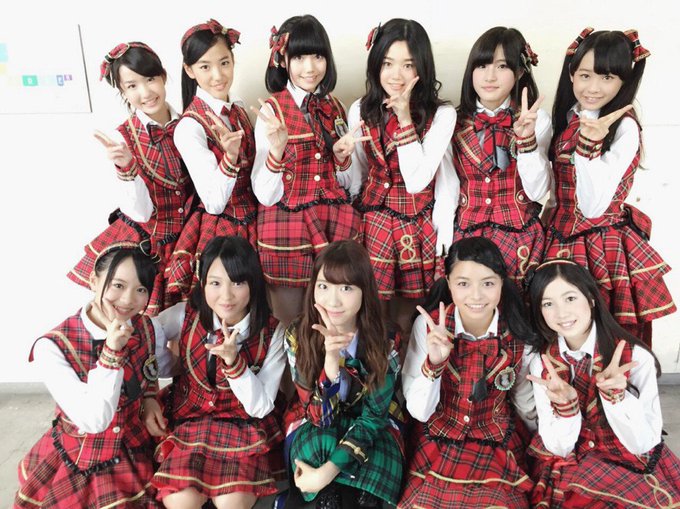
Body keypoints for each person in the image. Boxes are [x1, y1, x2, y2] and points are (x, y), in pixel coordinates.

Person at [543, 28, 675, 345]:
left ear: (623, 81)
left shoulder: (625, 127)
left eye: (607, 77)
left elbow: (592, 206)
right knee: (559, 327)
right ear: (571, 74)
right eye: (585, 75)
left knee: (606, 330)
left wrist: (589, 146)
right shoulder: (567, 117)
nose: (593, 87)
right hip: (557, 236)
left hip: (603, 244)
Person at [16, 243, 167, 508]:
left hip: (137, 442)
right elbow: (95, 420)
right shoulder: (51, 347)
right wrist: (112, 351)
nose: (128, 300)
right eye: (118, 285)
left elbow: (149, 368)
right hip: (83, 454)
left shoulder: (147, 326)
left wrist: (150, 398)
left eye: (141, 289)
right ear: (93, 281)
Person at [399, 236, 541, 508]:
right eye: (463, 284)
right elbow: (419, 411)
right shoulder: (427, 327)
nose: (476, 296)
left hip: (496, 442)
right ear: (448, 282)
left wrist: (543, 443)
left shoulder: (518, 333)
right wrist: (434, 363)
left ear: (502, 283)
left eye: (488, 283)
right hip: (438, 438)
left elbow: (524, 401)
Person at [526, 259, 680, 508]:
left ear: (591, 299)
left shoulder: (636, 357)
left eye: (570, 298)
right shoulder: (542, 363)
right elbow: (558, 448)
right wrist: (566, 409)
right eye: (548, 303)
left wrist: (617, 398)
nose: (561, 313)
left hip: (627, 459)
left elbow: (643, 443)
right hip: (572, 462)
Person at [151, 236, 286, 509]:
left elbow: (260, 407)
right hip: (189, 421)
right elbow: (146, 333)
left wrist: (235, 364)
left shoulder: (273, 331)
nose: (226, 296)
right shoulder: (184, 315)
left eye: (237, 283)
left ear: (253, 283)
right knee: (180, 500)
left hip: (243, 427)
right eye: (215, 283)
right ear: (202, 283)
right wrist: (166, 368)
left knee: (231, 503)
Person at [252, 15, 365, 326]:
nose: (310, 67)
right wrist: (277, 152)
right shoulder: (271, 110)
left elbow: (351, 186)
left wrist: (342, 158)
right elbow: (264, 194)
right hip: (287, 229)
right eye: (300, 57)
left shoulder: (336, 107)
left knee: (336, 321)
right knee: (292, 324)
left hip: (334, 224)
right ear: (283, 60)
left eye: (318, 56)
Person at [69, 42, 193, 316]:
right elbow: (139, 212)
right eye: (132, 86)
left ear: (163, 76)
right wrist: (126, 167)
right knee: (139, 326)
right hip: (145, 246)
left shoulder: (190, 124)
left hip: (188, 243)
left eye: (150, 79)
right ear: (123, 91)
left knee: (187, 324)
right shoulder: (120, 139)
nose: (145, 92)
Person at [349, 19, 455, 334]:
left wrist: (405, 118)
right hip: (372, 223)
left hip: (417, 223)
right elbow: (360, 173)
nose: (396, 75)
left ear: (422, 67)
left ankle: (412, 363)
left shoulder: (442, 115)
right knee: (373, 313)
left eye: (408, 65)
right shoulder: (359, 110)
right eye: (387, 63)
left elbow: (417, 180)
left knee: (415, 314)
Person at [283, 240, 403, 508]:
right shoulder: (298, 335)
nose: (333, 301)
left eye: (346, 288)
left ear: (364, 292)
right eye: (324, 287)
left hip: (373, 425)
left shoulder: (386, 338)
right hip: (312, 421)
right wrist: (330, 361)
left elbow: (373, 418)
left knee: (366, 479)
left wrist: (325, 474)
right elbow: (319, 419)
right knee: (320, 450)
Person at [165, 19, 258, 305]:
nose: (218, 75)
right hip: (222, 229)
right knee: (226, 306)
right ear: (189, 70)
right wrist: (229, 158)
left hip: (256, 220)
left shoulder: (239, 109)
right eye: (205, 67)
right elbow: (214, 202)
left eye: (224, 63)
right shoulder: (189, 127)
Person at [451, 27, 550, 289]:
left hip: (520, 239)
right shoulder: (452, 121)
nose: (490, 76)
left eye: (502, 66)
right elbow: (446, 186)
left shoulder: (537, 119)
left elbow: (537, 191)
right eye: (482, 65)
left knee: (519, 307)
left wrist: (526, 141)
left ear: (520, 72)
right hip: (466, 237)